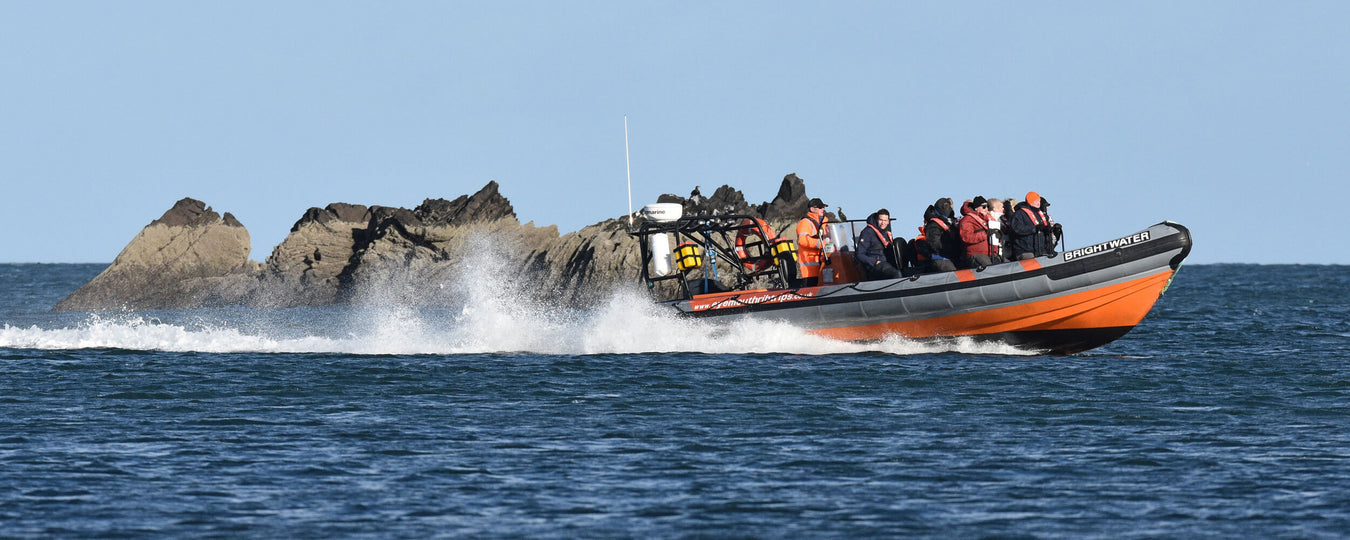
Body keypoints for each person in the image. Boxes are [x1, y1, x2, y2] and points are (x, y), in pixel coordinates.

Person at [1008, 191, 1059, 260]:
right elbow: (1017, 229)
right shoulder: (1019, 214)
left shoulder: (1041, 215)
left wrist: (1053, 230)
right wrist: (1034, 228)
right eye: (1036, 201)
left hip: (1041, 252)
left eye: (1039, 201)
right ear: (1030, 201)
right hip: (1026, 251)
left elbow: (1045, 230)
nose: (1039, 203)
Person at [856, 209, 902, 280]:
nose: (883, 223)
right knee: (896, 274)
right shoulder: (868, 232)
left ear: (888, 221)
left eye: (885, 221)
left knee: (904, 272)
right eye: (881, 220)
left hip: (887, 263)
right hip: (874, 266)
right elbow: (860, 254)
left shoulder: (887, 232)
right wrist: (875, 262)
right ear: (877, 219)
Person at [959, 196, 1004, 268]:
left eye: (987, 207)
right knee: (991, 269)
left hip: (991, 254)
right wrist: (985, 234)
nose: (986, 209)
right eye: (984, 207)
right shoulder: (967, 219)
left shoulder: (989, 219)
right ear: (976, 208)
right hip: (976, 254)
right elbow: (966, 237)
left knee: (1004, 266)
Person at [795, 197, 830, 287]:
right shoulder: (804, 223)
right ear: (812, 209)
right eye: (820, 207)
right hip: (810, 268)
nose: (823, 209)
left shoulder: (825, 223)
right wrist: (819, 243)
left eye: (823, 207)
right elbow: (802, 240)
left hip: (825, 264)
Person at [921, 197, 962, 272]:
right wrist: (952, 249)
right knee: (955, 275)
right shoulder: (933, 225)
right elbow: (935, 244)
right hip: (941, 259)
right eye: (946, 207)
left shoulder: (949, 223)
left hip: (951, 258)